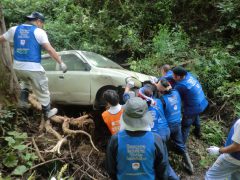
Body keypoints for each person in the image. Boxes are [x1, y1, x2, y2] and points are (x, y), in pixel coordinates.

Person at [0, 12, 67, 119]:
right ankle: (47, 111)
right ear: (38, 21)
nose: (42, 26)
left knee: (26, 81)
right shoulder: (39, 32)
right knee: (43, 87)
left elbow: (1, 39)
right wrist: (61, 62)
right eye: (42, 23)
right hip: (33, 68)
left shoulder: (14, 29)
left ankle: (22, 100)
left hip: (17, 68)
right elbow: (49, 49)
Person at [106, 97, 169, 180]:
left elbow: (111, 169)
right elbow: (163, 168)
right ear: (146, 116)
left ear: (124, 117)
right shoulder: (156, 139)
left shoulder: (115, 139)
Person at [156, 78, 194, 174]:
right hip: (177, 124)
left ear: (160, 91)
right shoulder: (176, 93)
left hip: (168, 126)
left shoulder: (162, 100)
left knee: (165, 146)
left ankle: (167, 166)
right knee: (181, 144)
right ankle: (191, 167)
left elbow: (160, 112)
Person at [172, 66, 208, 143]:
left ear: (178, 76)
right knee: (195, 115)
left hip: (193, 108)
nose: (172, 76)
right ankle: (197, 132)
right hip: (202, 103)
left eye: (173, 75)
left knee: (185, 126)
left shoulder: (181, 86)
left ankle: (181, 145)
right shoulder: (188, 75)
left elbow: (175, 98)